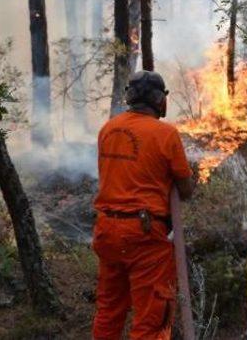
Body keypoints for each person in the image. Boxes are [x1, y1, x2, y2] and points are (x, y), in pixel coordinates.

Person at [92, 71, 193, 340]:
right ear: (160, 100)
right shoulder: (166, 134)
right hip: (144, 235)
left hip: (106, 230)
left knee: (108, 311)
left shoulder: (108, 129)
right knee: (152, 317)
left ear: (130, 97)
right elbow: (185, 189)